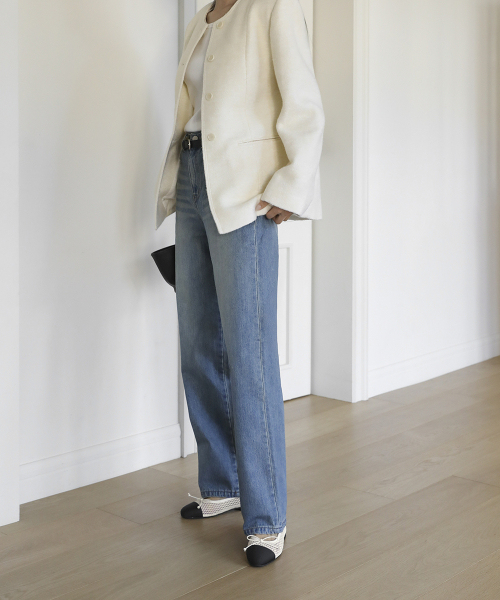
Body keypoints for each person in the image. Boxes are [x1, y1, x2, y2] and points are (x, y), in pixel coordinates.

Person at [154, 0, 325, 567]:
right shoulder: (204, 15)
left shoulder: (273, 6)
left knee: (249, 353)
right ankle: (222, 482)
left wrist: (292, 184)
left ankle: (267, 516)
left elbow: (303, 102)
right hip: (192, 177)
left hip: (247, 191)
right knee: (198, 342)